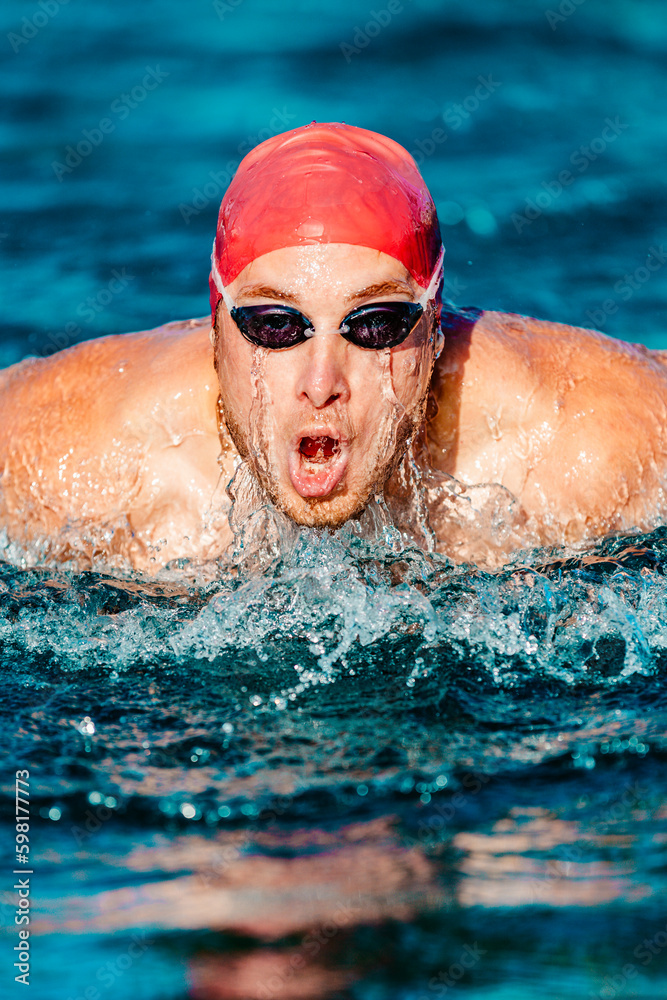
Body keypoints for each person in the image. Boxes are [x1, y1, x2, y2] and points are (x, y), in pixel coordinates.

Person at [1, 121, 666, 571]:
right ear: (216, 330)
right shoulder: (66, 460)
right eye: (275, 325)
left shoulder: (582, 445)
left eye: (374, 325)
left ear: (433, 331)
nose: (321, 382)